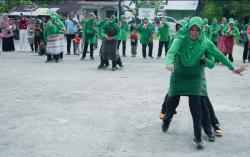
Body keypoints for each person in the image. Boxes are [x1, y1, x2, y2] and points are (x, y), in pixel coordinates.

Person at [163, 16, 246, 149]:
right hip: (178, 76)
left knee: (196, 109)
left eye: (197, 30)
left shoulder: (205, 42)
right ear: (188, 28)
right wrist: (168, 62)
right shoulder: (180, 38)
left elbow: (219, 55)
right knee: (172, 104)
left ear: (201, 30)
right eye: (192, 29)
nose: (194, 32)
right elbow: (171, 52)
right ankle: (166, 120)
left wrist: (234, 68)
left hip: (195, 79)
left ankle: (198, 138)